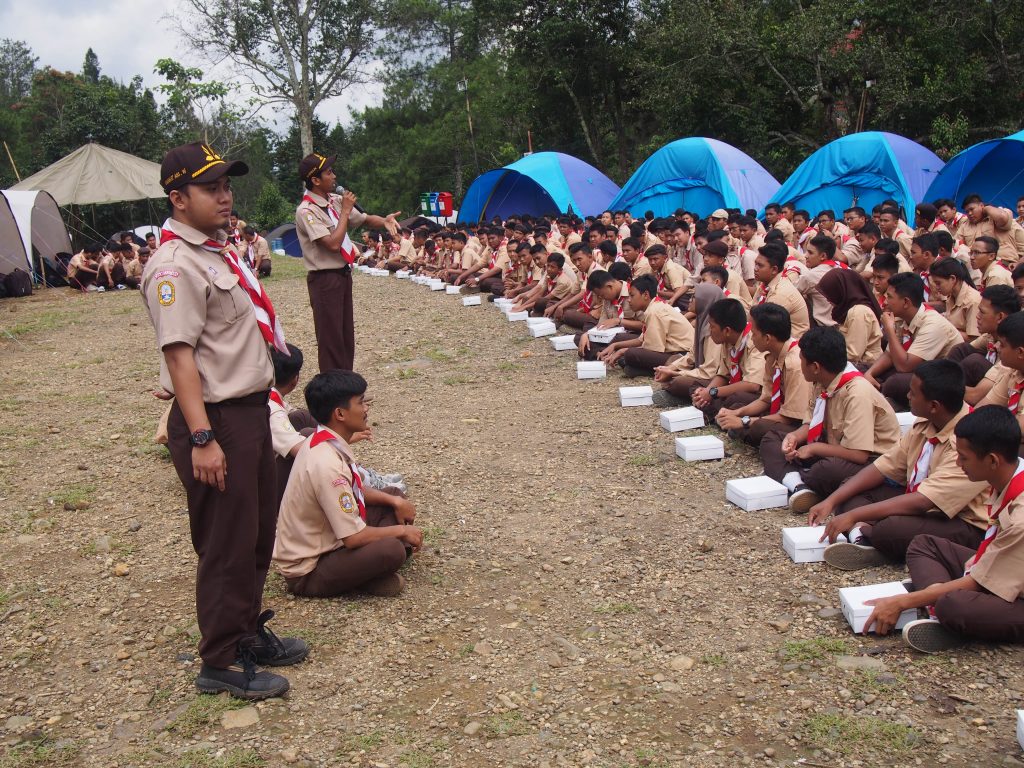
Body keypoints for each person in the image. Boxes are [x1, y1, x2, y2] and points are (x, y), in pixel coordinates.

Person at [142, 141, 303, 699]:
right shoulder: (174, 265)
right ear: (177, 198)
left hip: (251, 410)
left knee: (257, 532)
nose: (225, 194)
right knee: (226, 541)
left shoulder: (217, 251)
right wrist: (203, 438)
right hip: (217, 420)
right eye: (211, 187)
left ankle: (244, 631)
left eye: (227, 184)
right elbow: (180, 356)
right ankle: (219, 660)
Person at [861, 405, 1024, 651]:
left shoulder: (1021, 515)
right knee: (924, 544)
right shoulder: (1008, 477)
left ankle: (946, 612)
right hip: (999, 568)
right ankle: (941, 608)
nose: (957, 462)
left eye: (964, 457)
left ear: (992, 460)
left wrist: (903, 602)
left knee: (955, 605)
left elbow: (979, 583)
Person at [807, 360, 987, 568]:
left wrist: (853, 515)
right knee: (849, 488)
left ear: (934, 406)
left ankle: (875, 539)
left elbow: (922, 502)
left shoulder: (968, 442)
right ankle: (864, 539)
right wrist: (831, 501)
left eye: (913, 393)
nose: (908, 397)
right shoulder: (926, 423)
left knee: (890, 528)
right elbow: (883, 466)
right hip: (919, 501)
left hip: (963, 523)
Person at [272, 371, 423, 598]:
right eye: (360, 402)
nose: (366, 409)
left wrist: (395, 500)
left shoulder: (324, 440)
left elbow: (354, 489)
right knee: (391, 549)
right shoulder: (326, 463)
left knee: (391, 496)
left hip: (332, 540)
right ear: (340, 413)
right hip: (309, 569)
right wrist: (402, 530)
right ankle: (362, 576)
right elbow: (353, 538)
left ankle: (362, 574)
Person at [760, 326, 900, 513]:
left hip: (870, 461)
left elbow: (859, 454)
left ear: (816, 367)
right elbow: (811, 424)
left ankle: (795, 477)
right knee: (773, 438)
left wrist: (813, 448)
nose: (800, 365)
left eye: (802, 360)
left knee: (825, 471)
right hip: (832, 446)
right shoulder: (821, 381)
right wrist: (794, 438)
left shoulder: (857, 393)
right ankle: (799, 486)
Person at [294, 152, 401, 372]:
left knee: (345, 335)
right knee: (330, 338)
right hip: (324, 279)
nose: (334, 176)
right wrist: (344, 211)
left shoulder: (333, 201)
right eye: (329, 172)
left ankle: (348, 388)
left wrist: (384, 220)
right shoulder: (307, 211)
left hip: (342, 274)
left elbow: (363, 218)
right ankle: (334, 394)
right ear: (315, 180)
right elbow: (332, 244)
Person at [715, 302, 810, 446]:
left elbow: (791, 418)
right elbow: (766, 400)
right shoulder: (772, 357)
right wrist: (737, 413)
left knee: (759, 428)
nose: (751, 338)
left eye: (754, 333)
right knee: (736, 408)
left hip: (798, 422)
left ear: (767, 338)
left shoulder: (796, 363)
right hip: (779, 413)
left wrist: (744, 421)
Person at [866, 273, 962, 409]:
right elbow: (890, 353)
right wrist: (869, 374)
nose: (885, 302)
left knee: (895, 382)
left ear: (906, 302)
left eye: (889, 297)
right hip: (917, 368)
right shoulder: (903, 316)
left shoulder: (933, 324)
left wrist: (889, 330)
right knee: (865, 370)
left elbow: (904, 366)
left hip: (941, 379)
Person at [597, 274, 694, 375]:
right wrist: (616, 345)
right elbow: (641, 340)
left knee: (630, 354)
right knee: (627, 357)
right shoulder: (653, 306)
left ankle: (663, 369)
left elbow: (653, 348)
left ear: (646, 295)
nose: (629, 300)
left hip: (682, 355)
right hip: (675, 352)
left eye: (632, 295)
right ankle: (645, 370)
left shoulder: (654, 311)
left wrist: (622, 351)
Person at [690, 297, 766, 418]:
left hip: (756, 395)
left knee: (735, 398)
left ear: (727, 330)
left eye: (712, 326)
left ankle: (715, 412)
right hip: (734, 388)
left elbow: (752, 385)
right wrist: (707, 391)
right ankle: (714, 410)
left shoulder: (755, 341)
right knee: (696, 387)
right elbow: (723, 375)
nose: (709, 331)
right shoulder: (727, 340)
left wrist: (713, 392)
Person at [653, 283, 724, 407]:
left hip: (713, 379)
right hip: (699, 371)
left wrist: (675, 373)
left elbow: (709, 372)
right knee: (672, 362)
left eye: (694, 297)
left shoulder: (714, 329)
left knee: (679, 382)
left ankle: (683, 398)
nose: (689, 301)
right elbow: (691, 355)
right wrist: (671, 368)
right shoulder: (701, 321)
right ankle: (677, 392)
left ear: (705, 301)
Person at [269, 343, 317, 511]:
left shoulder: (270, 394)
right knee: (310, 437)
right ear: (295, 379)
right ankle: (359, 479)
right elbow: (301, 449)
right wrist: (342, 439)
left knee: (301, 418)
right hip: (268, 491)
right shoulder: (272, 409)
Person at [815, 268, 882, 367]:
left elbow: (853, 354)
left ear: (839, 291)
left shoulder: (859, 312)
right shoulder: (848, 309)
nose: (827, 299)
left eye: (830, 294)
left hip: (865, 366)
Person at [978, 313, 1024, 450]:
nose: (997, 348)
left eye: (1002, 345)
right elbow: (983, 409)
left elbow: (1018, 430)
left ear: (1020, 352)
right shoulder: (1014, 371)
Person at [752, 242, 810, 338]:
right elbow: (752, 310)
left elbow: (764, 327)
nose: (755, 269)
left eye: (760, 265)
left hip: (790, 344)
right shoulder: (766, 283)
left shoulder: (780, 293)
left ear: (774, 270)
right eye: (755, 264)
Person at [958, 194, 1019, 266]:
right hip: (976, 266)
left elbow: (1002, 218)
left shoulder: (995, 216)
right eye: (967, 211)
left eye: (972, 209)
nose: (969, 213)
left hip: (1001, 262)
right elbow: (956, 243)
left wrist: (987, 208)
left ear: (981, 205)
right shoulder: (965, 225)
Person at [930, 258, 979, 340]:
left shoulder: (973, 301)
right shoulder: (951, 296)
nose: (937, 287)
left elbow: (973, 338)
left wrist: (943, 329)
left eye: (938, 283)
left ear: (953, 279)